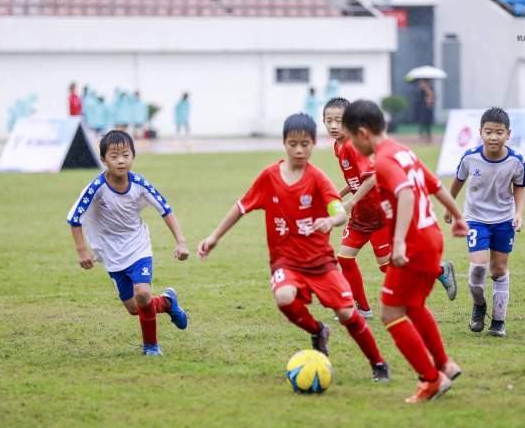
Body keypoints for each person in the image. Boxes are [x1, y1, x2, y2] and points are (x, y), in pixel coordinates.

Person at [198, 113, 390, 382]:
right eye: (293, 144)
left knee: (347, 313)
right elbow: (241, 207)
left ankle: (378, 363)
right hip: (285, 262)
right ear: (284, 144)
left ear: (313, 143)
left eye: (305, 144)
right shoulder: (269, 177)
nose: (299, 150)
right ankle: (317, 329)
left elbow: (339, 211)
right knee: (284, 297)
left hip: (321, 263)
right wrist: (214, 237)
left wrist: (331, 219)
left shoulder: (318, 178)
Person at [342, 100, 468, 403]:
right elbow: (436, 186)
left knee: (390, 313)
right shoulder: (403, 151)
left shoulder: (383, 160)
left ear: (362, 133)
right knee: (413, 305)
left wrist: (398, 242)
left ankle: (430, 379)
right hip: (432, 237)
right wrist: (458, 216)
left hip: (413, 243)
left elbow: (407, 192)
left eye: (350, 138)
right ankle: (444, 365)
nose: (350, 145)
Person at [323, 97, 458, 320]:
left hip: (377, 214)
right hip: (360, 215)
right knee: (345, 259)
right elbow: (357, 179)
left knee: (388, 266)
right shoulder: (338, 147)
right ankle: (362, 309)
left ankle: (439, 271)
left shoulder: (352, 146)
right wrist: (341, 194)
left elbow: (372, 178)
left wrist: (349, 202)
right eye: (329, 121)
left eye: (339, 121)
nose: (334, 125)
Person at [67, 130, 190, 356]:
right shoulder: (96, 188)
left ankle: (151, 346)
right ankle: (168, 303)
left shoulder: (139, 184)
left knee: (142, 293)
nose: (121, 160)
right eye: (114, 156)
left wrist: (181, 242)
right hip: (111, 253)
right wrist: (81, 250)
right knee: (135, 308)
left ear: (133, 156)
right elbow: (74, 218)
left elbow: (166, 210)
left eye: (125, 154)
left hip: (138, 246)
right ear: (103, 160)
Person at [444, 107, 525, 338]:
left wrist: (519, 213)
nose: (493, 137)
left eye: (499, 132)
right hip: (476, 219)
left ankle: (498, 322)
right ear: (480, 132)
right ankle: (479, 305)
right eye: (488, 131)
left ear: (508, 134)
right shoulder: (470, 157)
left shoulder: (516, 161)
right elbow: (458, 180)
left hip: (503, 220)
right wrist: (450, 206)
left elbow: (520, 186)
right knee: (478, 268)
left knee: (499, 269)